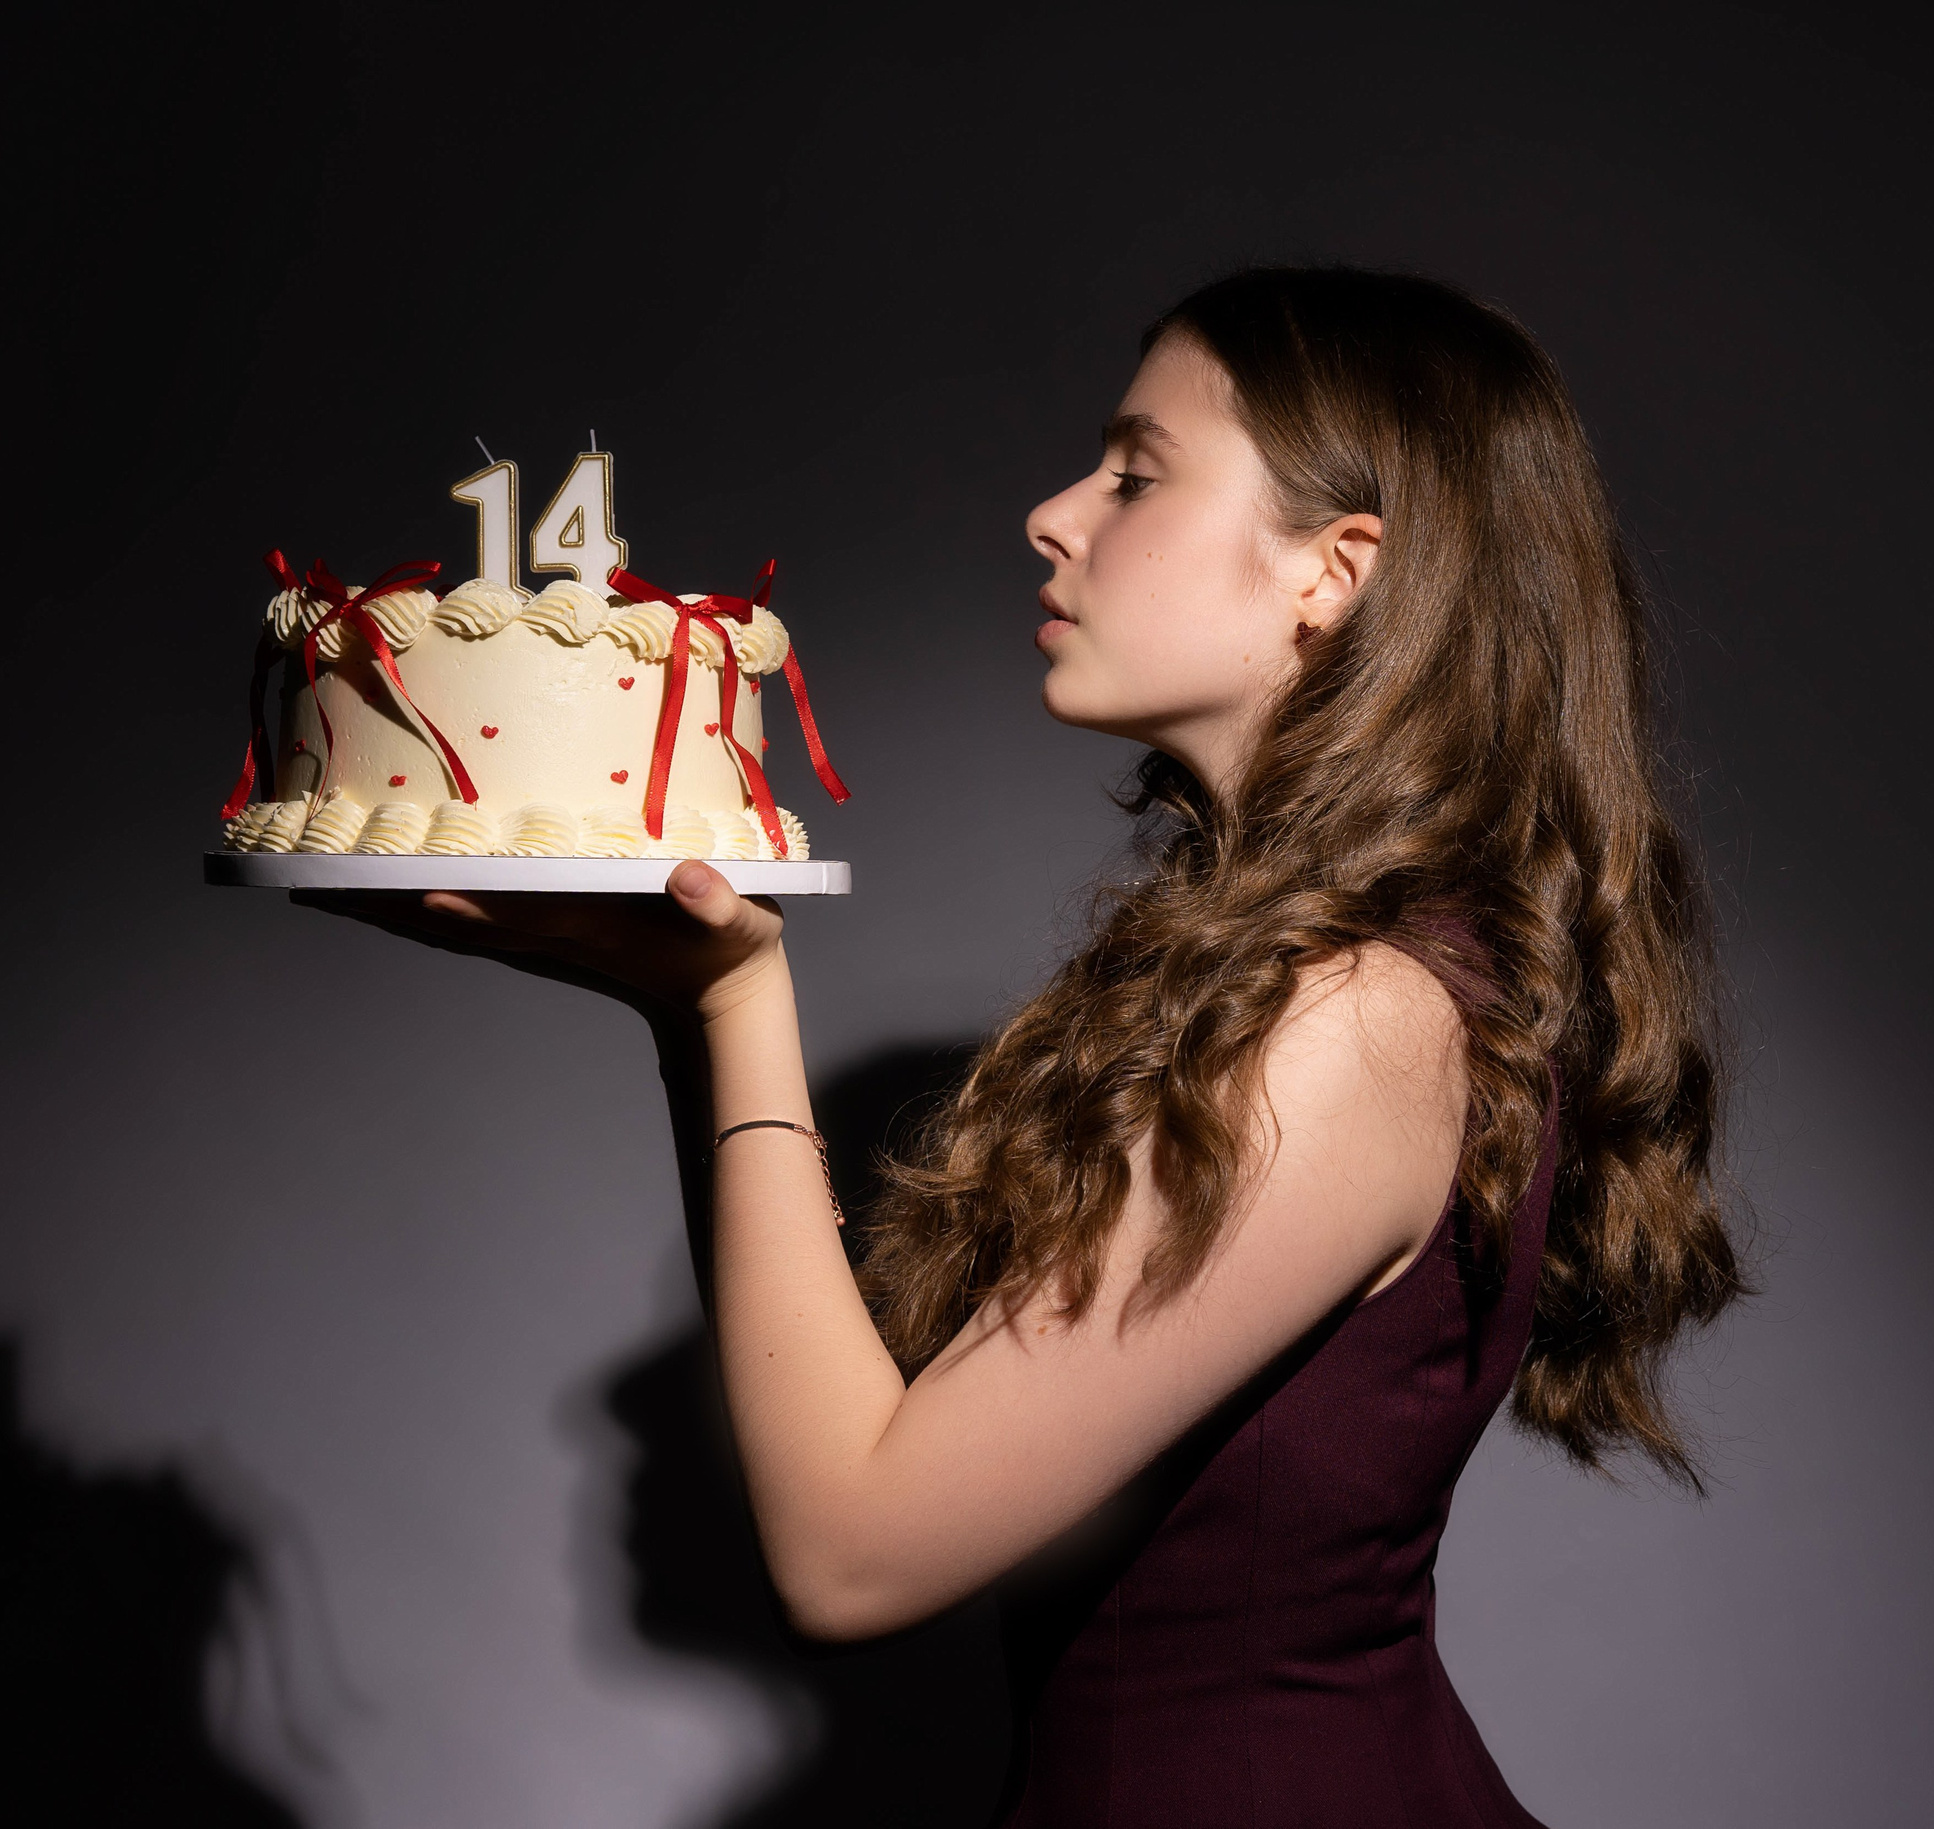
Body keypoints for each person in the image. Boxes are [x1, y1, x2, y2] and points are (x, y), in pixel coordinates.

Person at [332, 267, 1744, 1826]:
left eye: (1136, 474)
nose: (1053, 514)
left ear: (1332, 574)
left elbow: (851, 1544)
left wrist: (725, 1005)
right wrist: (693, 1009)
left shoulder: (1366, 1024)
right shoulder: (1337, 982)